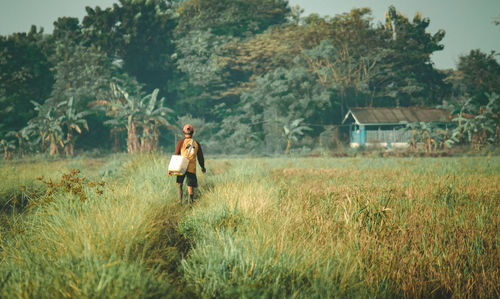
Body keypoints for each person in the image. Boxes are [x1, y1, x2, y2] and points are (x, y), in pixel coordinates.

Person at [171, 124, 206, 204]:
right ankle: (190, 204)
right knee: (190, 186)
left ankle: (179, 202)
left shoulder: (180, 142)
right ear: (192, 133)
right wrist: (202, 167)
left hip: (181, 166)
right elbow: (200, 157)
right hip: (191, 167)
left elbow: (176, 155)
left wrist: (171, 170)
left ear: (184, 132)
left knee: (179, 183)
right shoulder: (196, 143)